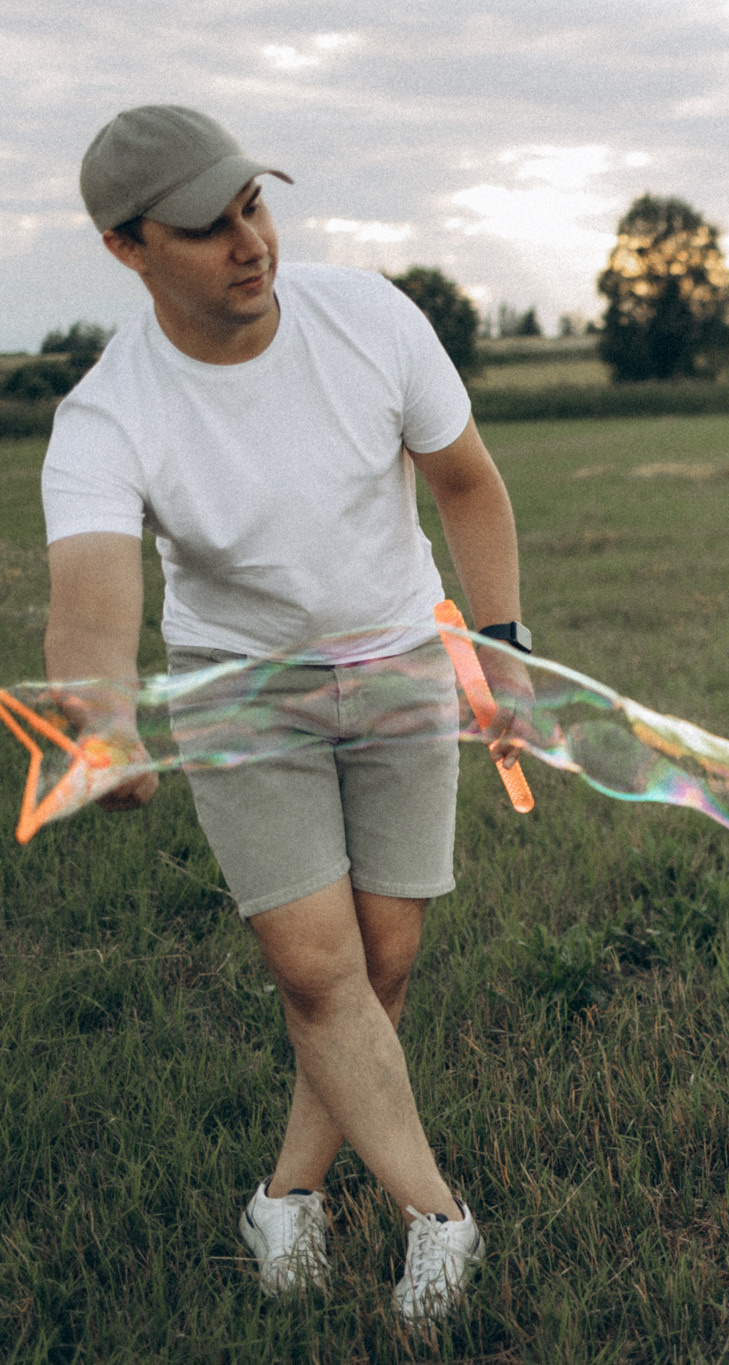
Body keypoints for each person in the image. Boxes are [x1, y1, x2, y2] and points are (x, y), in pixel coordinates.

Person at [39, 105, 531, 1324]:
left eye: (253, 205)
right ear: (127, 247)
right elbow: (94, 610)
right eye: (204, 228)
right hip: (243, 693)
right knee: (318, 974)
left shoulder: (367, 319)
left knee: (384, 961)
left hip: (408, 663)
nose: (246, 242)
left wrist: (503, 647)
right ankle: (439, 1217)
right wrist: (102, 727)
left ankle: (285, 1196)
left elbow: (465, 483)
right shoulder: (106, 417)